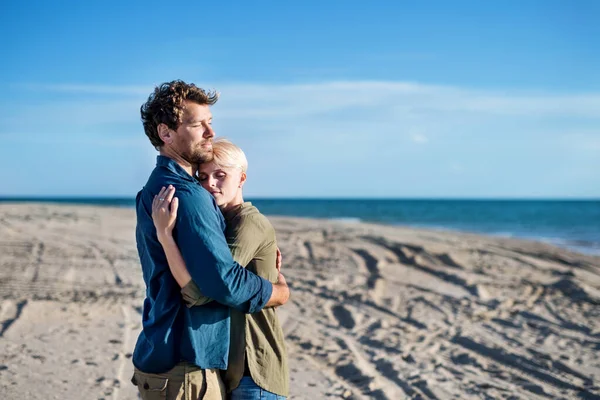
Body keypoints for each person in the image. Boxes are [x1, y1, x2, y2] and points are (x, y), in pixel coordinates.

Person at [132, 80, 290, 400]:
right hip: (185, 364)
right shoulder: (190, 195)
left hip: (163, 354)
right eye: (197, 124)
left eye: (210, 123)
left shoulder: (153, 187)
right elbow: (223, 282)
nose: (209, 132)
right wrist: (276, 291)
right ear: (166, 133)